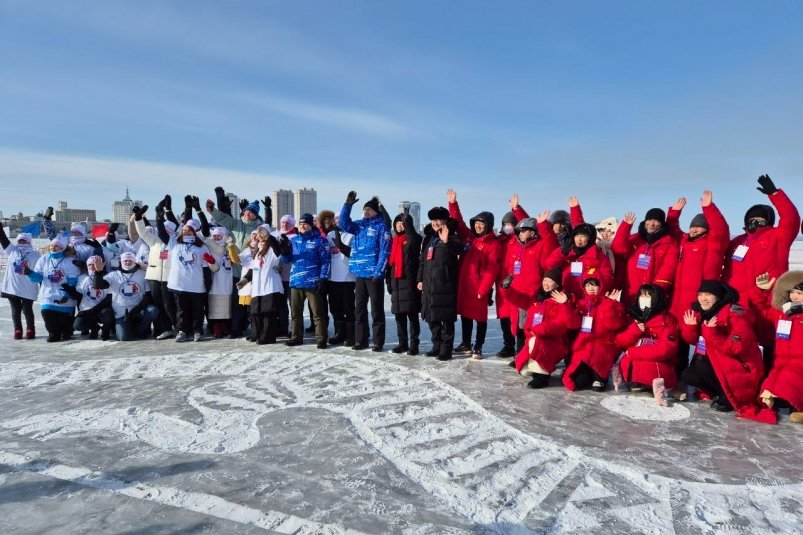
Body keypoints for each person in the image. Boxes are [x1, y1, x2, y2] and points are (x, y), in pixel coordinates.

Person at [680, 280, 774, 423]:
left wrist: (711, 333)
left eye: (708, 294)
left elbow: (734, 348)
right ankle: (721, 393)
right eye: (700, 294)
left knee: (701, 366)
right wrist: (690, 327)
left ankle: (729, 397)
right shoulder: (705, 312)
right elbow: (693, 341)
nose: (703, 298)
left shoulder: (735, 316)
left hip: (741, 368)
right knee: (688, 375)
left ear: (718, 296)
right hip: (719, 362)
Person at [666, 191, 730, 374]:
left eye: (699, 227)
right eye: (692, 226)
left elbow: (721, 230)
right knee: (678, 336)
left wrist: (709, 208)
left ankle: (700, 375)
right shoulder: (684, 242)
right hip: (678, 299)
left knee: (697, 336)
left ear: (707, 229)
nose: (694, 229)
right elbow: (672, 231)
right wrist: (674, 213)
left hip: (701, 298)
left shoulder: (713, 244)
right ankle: (677, 373)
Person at [447, 188, 503, 358]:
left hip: (478, 288)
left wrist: (483, 289)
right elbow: (458, 221)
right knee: (465, 315)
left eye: (482, 223)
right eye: (477, 222)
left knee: (480, 318)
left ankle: (478, 345)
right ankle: (466, 344)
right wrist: (453, 204)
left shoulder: (493, 244)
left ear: (488, 225)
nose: (478, 225)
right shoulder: (469, 237)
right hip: (464, 284)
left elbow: (492, 269)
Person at [498, 213, 559, 352]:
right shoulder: (515, 248)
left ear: (532, 232)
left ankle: (531, 355)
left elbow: (551, 245)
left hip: (532, 295)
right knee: (519, 326)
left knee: (532, 326)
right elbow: (508, 268)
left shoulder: (540, 246)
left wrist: (543, 224)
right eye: (518, 231)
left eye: (522, 231)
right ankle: (520, 355)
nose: (519, 234)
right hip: (516, 294)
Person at [339, 192, 392, 351]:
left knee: (376, 309)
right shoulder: (359, 225)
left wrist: (379, 272)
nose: (366, 212)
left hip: (374, 275)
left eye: (369, 209)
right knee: (359, 309)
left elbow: (385, 251)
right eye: (364, 209)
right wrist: (347, 206)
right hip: (359, 274)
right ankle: (360, 340)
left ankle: (378, 342)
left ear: (376, 211)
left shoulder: (382, 227)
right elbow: (343, 224)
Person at [513, 269, 580, 389]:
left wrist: (565, 304)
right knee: (524, 370)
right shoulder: (538, 296)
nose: (546, 283)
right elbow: (520, 299)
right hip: (535, 336)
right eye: (545, 280)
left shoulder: (563, 299)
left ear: (557, 284)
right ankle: (537, 370)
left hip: (554, 341)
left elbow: (570, 323)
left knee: (537, 342)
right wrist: (506, 290)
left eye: (550, 281)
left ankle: (541, 377)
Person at [751, 272, 803, 423]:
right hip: (780, 361)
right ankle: (785, 400)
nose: (794, 297)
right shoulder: (782, 312)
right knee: (767, 392)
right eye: (791, 292)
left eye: (799, 293)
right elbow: (760, 312)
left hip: (799, 363)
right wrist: (761, 292)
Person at [563, 280, 626, 392]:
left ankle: (600, 377)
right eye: (587, 285)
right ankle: (589, 373)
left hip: (603, 346)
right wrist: (566, 304)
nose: (590, 288)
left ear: (601, 286)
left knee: (597, 380)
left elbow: (614, 325)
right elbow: (572, 324)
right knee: (579, 382)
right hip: (583, 347)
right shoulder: (581, 304)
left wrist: (608, 304)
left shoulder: (613, 303)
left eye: (594, 284)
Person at [417, 206, 462, 361]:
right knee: (431, 317)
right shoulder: (429, 238)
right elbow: (422, 260)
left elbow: (459, 250)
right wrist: (420, 279)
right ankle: (436, 345)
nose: (435, 222)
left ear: (445, 220)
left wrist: (447, 240)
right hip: (429, 285)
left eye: (438, 219)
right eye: (433, 220)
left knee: (446, 319)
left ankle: (446, 349)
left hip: (445, 284)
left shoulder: (452, 235)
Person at [615, 284, 679, 392]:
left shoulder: (668, 321)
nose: (643, 299)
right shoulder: (633, 315)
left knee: (650, 364)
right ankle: (637, 381)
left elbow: (666, 349)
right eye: (641, 295)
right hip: (631, 362)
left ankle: (650, 383)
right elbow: (619, 341)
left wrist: (634, 352)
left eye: (648, 296)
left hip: (657, 364)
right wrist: (635, 330)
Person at [281, 213, 331, 349]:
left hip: (313, 282)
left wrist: (323, 278)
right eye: (301, 224)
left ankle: (321, 338)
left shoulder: (320, 241)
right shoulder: (294, 240)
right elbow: (286, 260)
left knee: (317, 312)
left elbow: (326, 261)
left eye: (305, 224)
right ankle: (296, 337)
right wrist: (284, 252)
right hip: (296, 281)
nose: (302, 226)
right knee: (296, 313)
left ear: (311, 225)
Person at [611, 206, 679, 305]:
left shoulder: (670, 243)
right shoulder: (636, 239)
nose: (652, 224)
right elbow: (618, 248)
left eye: (656, 221)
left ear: (662, 224)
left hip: (653, 294)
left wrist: (654, 291)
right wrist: (626, 226)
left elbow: (668, 268)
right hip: (631, 293)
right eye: (649, 220)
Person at [166, 219, 219, 342]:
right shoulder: (175, 244)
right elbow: (164, 234)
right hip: (179, 284)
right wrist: (163, 214)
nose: (185, 232)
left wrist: (207, 284)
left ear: (194, 233)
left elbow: (206, 268)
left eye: (189, 231)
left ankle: (197, 331)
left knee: (197, 311)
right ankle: (182, 331)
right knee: (181, 311)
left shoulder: (202, 247)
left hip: (196, 285)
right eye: (184, 230)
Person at [134, 202, 178, 339]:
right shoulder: (154, 241)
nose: (166, 232)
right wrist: (138, 218)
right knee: (157, 304)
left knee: (169, 304)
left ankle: (179, 327)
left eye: (169, 231)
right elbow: (141, 231)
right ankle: (162, 329)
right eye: (164, 230)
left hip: (168, 278)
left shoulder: (176, 243)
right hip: (153, 277)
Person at [25, 235, 81, 342]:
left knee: (66, 333)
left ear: (62, 248)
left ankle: (67, 330)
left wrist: (66, 295)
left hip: (65, 299)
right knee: (52, 331)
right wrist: (30, 273)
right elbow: (38, 278)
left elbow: (72, 280)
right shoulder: (44, 259)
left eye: (56, 246)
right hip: (48, 297)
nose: (52, 248)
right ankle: (53, 332)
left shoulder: (69, 261)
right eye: (51, 245)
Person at [92, 252, 159, 341]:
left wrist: (136, 310)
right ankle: (121, 328)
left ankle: (139, 330)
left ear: (134, 261)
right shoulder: (113, 275)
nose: (128, 262)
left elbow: (148, 296)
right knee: (123, 338)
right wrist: (98, 272)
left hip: (138, 310)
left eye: (130, 260)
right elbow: (98, 286)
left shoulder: (142, 274)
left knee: (153, 310)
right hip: (121, 313)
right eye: (125, 260)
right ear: (121, 262)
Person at [494, 193, 530, 357]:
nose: (508, 226)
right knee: (504, 317)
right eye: (505, 224)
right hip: (502, 285)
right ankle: (508, 345)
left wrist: (517, 209)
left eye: (511, 224)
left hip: (517, 285)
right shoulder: (499, 241)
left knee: (518, 319)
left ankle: (519, 350)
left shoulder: (521, 240)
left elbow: (529, 225)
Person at [542, 222, 613, 302]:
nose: (579, 239)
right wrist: (561, 253)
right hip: (565, 298)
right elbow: (548, 265)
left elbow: (607, 278)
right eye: (576, 235)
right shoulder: (568, 253)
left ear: (590, 238)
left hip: (587, 300)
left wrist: (593, 290)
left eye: (583, 236)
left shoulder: (598, 256)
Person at [238, 224, 284, 345]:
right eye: (258, 234)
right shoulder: (257, 250)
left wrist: (269, 237)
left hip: (270, 285)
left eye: (262, 234)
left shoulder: (272, 249)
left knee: (268, 312)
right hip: (257, 287)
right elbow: (253, 269)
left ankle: (268, 337)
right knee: (255, 312)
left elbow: (278, 250)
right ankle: (258, 333)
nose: (259, 236)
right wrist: (244, 280)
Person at [387, 209, 423, 355]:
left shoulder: (412, 240)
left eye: (402, 223)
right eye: (398, 223)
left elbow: (413, 237)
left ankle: (414, 344)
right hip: (396, 283)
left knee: (412, 316)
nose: (400, 226)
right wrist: (389, 282)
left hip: (409, 283)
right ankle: (402, 344)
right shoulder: (394, 241)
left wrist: (407, 222)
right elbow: (391, 265)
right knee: (399, 316)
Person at [319, 210, 357, 347]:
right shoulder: (329, 236)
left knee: (349, 309)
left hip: (347, 278)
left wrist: (342, 247)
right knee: (335, 309)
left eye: (340, 219)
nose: (338, 221)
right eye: (336, 219)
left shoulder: (351, 236)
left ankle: (351, 336)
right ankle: (339, 333)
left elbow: (354, 255)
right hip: (332, 278)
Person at [0, 229, 41, 339]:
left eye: (24, 241)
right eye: (20, 241)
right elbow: (2, 238)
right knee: (15, 310)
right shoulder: (12, 250)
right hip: (12, 287)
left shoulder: (35, 255)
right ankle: (17, 329)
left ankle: (30, 329)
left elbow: (40, 271)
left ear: (29, 242)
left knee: (27, 310)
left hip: (28, 287)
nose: (22, 243)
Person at [69, 255, 114, 340]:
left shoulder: (108, 277)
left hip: (102, 308)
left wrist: (96, 308)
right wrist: (70, 291)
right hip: (87, 309)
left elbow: (109, 297)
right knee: (78, 326)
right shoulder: (82, 278)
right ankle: (94, 327)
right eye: (90, 265)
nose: (93, 266)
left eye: (95, 264)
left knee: (107, 312)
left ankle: (106, 329)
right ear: (86, 266)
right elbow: (79, 294)